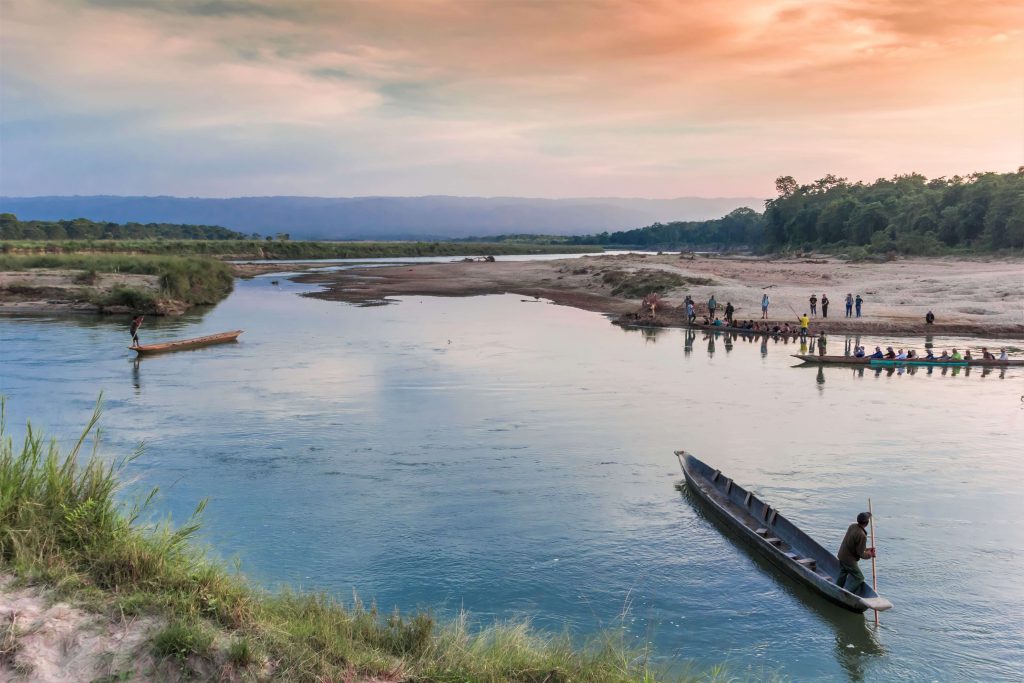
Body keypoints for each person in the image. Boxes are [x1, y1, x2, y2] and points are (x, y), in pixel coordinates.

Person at [836, 512, 876, 594]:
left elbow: (855, 545)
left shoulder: (852, 526)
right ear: (867, 523)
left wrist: (867, 549)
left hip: (842, 555)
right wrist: (870, 555)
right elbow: (860, 554)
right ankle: (846, 593)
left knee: (843, 572)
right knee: (860, 578)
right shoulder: (862, 535)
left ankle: (836, 588)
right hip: (849, 560)